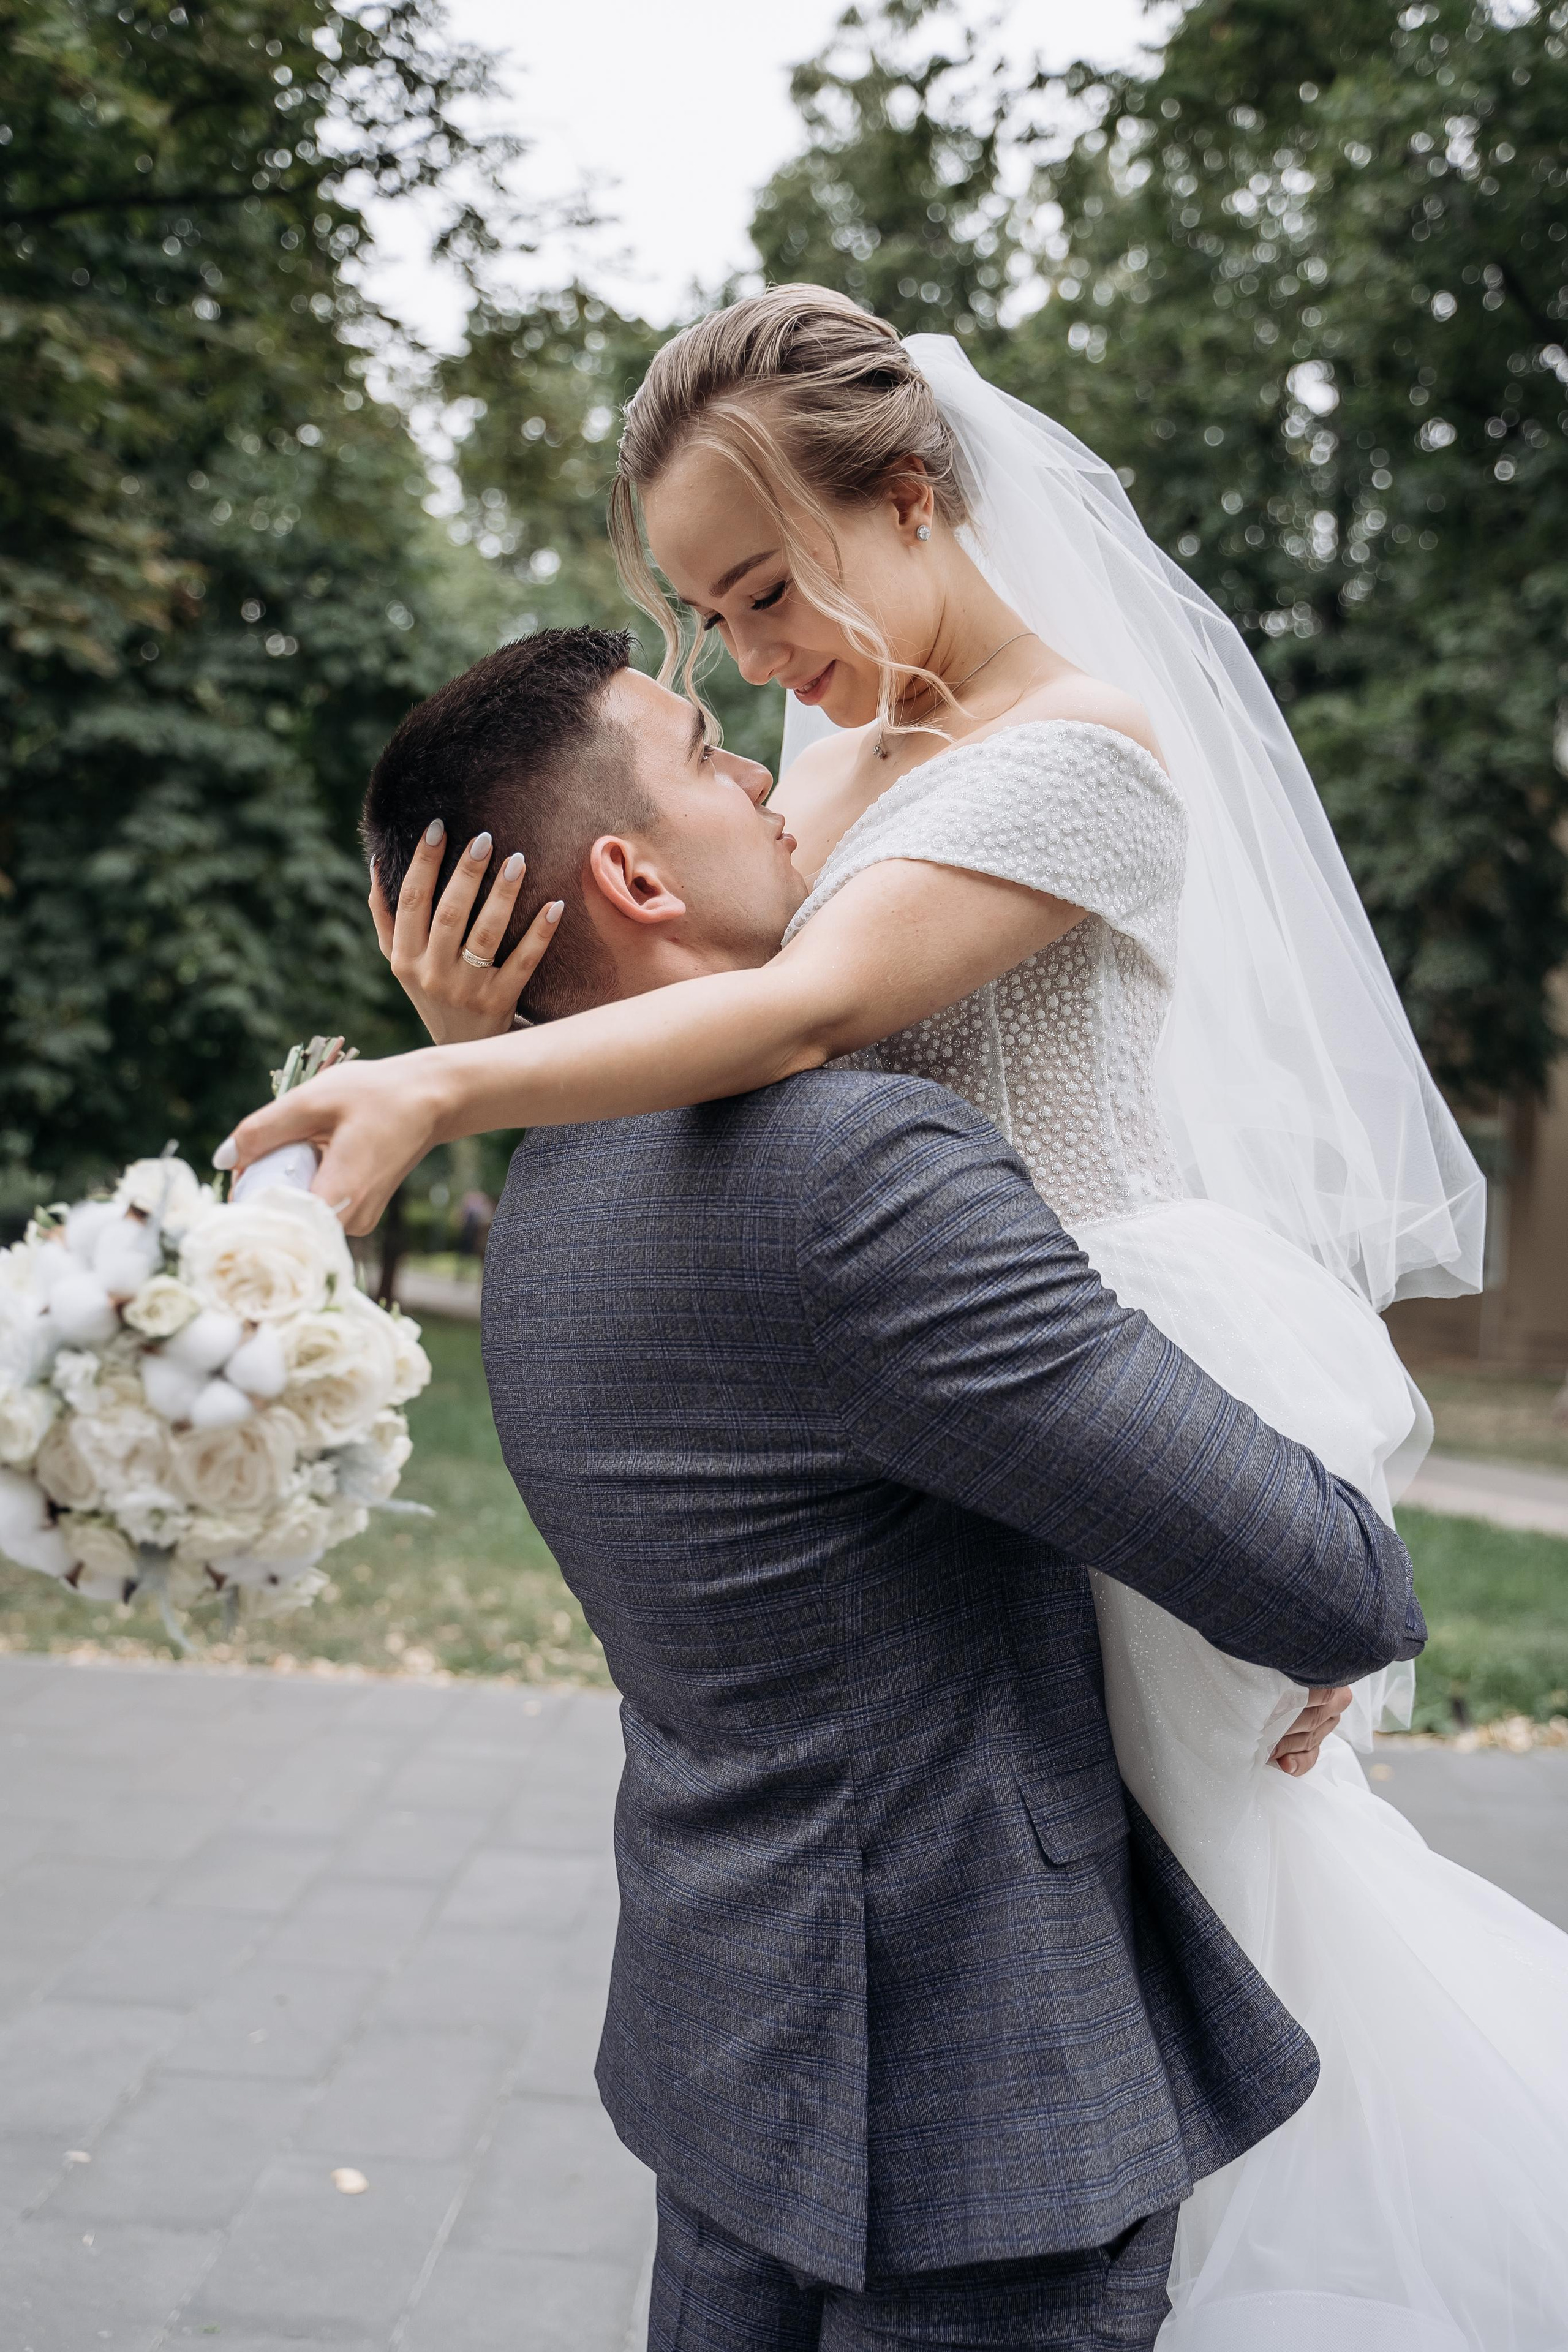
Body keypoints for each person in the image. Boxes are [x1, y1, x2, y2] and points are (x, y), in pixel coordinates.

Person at [226, 294, 1568, 2345]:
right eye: (706, 631)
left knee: (1246, 1900)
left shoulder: (1077, 752)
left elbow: (814, 1010)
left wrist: (452, 1082)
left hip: (1069, 1321)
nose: (753, 676)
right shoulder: (833, 741)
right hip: (937, 1358)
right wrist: (506, 1026)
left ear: (916, 497)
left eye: (762, 596)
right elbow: (702, 980)